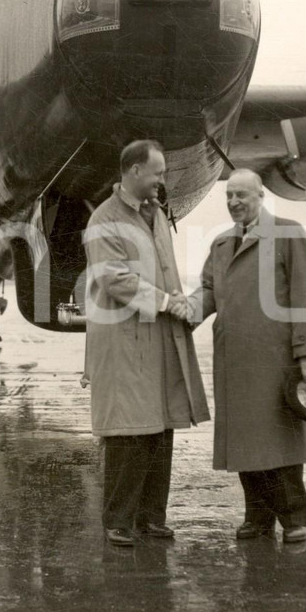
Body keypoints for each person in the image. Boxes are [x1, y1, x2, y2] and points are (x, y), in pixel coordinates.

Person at [83, 139, 211, 547]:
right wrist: (168, 303)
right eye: (157, 172)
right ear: (134, 170)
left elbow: (165, 271)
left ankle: (152, 516)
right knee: (129, 431)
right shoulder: (104, 219)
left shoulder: (155, 215)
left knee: (160, 429)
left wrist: (180, 302)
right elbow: (114, 278)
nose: (162, 180)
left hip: (159, 337)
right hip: (125, 340)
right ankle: (118, 520)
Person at [187, 169, 306, 544]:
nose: (234, 202)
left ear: (261, 196)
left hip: (275, 360)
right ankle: (258, 517)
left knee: (280, 443)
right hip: (234, 362)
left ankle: (294, 519)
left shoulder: (289, 234)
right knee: (245, 443)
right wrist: (182, 312)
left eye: (242, 195)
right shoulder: (221, 244)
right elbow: (208, 292)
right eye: (229, 195)